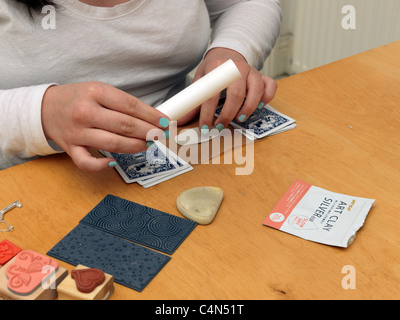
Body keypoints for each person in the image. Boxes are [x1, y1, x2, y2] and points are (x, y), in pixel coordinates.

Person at [0, 0, 282, 172]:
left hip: (183, 153)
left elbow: (244, 2)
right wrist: (37, 114)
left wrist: (231, 51)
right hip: (27, 177)